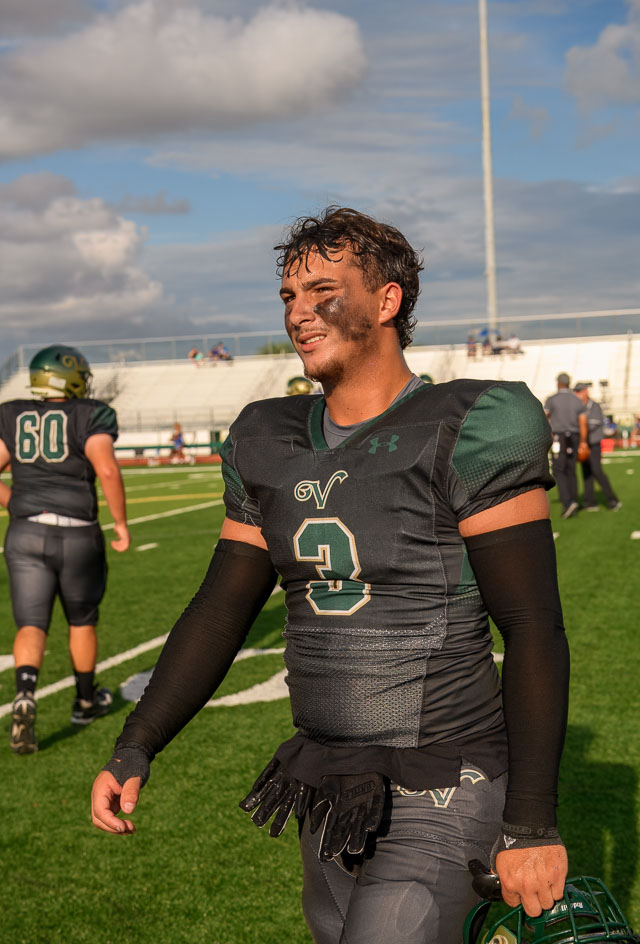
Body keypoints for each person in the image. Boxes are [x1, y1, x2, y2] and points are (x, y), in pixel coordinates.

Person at [91, 207, 569, 944]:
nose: (298, 312)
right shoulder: (265, 435)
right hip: (326, 785)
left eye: (322, 291)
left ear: (387, 300)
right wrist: (137, 744)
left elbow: (532, 624)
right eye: (289, 296)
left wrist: (532, 823)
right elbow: (220, 610)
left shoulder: (470, 423)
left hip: (445, 780)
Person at [0, 345, 130, 755]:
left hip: (25, 532)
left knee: (31, 624)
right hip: (76, 533)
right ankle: (85, 702)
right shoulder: (90, 413)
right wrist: (121, 524)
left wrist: (16, 504)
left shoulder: (12, 413)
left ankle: (25, 693)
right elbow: (106, 468)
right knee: (81, 620)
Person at [544, 372, 589, 519]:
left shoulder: (552, 399)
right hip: (574, 437)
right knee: (571, 470)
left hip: (559, 437)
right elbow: (583, 423)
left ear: (558, 383)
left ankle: (567, 502)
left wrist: (549, 435)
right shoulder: (577, 400)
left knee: (559, 471)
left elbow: (544, 418)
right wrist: (583, 441)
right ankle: (574, 500)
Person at [573, 383, 621, 511]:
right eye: (576, 391)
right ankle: (589, 502)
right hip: (583, 444)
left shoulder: (594, 406)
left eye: (579, 391)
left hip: (593, 444)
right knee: (586, 473)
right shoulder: (577, 406)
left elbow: (593, 424)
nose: (577, 394)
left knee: (597, 471)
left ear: (585, 392)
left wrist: (579, 426)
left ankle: (612, 500)